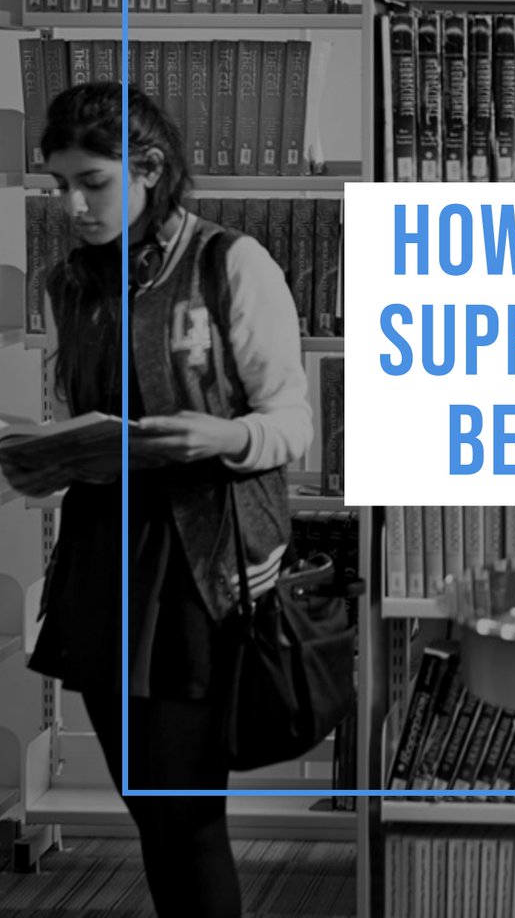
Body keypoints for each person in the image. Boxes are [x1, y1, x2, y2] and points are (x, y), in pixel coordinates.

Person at [4, 81, 312, 918]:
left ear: (149, 169)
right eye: (57, 185)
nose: (71, 205)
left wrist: (223, 438)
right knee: (151, 814)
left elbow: (292, 425)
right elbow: (84, 419)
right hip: (102, 564)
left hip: (195, 570)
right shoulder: (68, 285)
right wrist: (46, 458)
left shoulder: (231, 263)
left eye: (91, 183)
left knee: (186, 819)